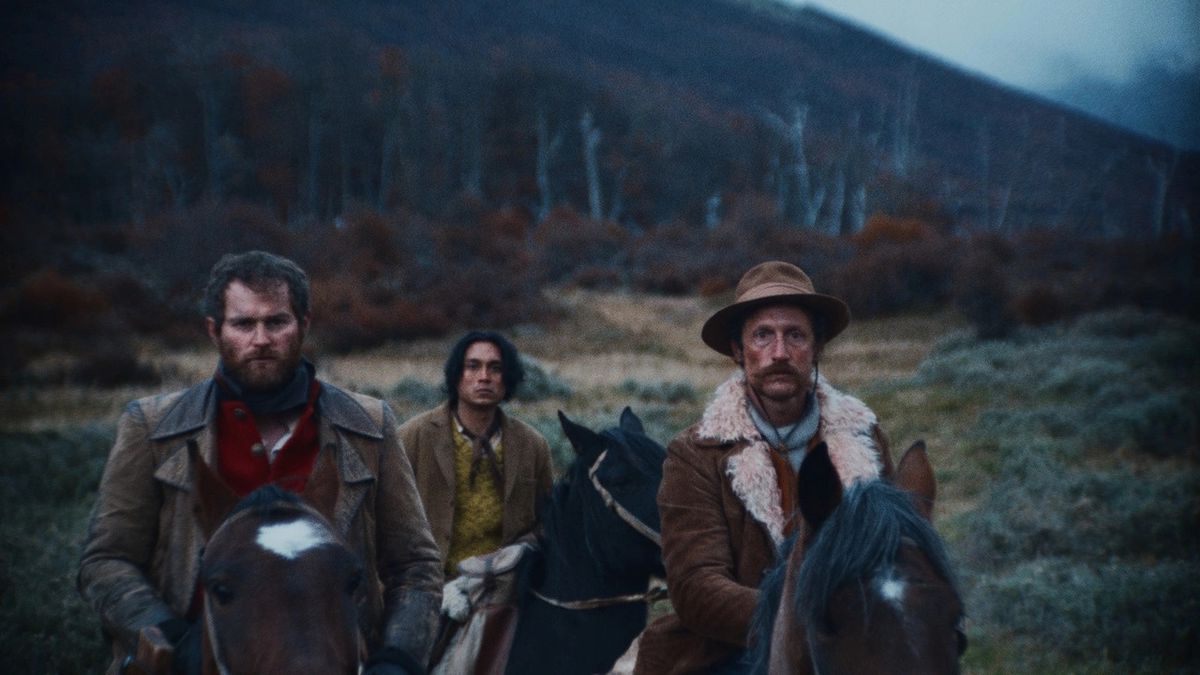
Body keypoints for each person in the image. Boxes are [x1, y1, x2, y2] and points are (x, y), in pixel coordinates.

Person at [78, 250, 443, 675]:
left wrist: (396, 661)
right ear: (214, 331)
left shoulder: (368, 425)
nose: (261, 339)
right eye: (243, 324)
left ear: (303, 325)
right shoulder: (154, 427)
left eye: (276, 322)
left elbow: (415, 565)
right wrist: (171, 640)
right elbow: (105, 560)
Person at [633, 260, 895, 674]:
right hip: (731, 652)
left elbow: (892, 557)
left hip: (852, 648)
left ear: (817, 347)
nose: (778, 353)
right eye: (762, 336)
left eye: (794, 335)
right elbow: (696, 589)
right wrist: (810, 618)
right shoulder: (697, 453)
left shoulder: (865, 437)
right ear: (738, 351)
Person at [399, 331, 554, 577]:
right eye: (473, 366)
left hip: (506, 589)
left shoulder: (533, 445)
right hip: (427, 584)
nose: (484, 377)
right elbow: (384, 518)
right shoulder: (412, 437)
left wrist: (521, 551)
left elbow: (548, 521)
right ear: (456, 375)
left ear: (507, 377)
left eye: (495, 368)